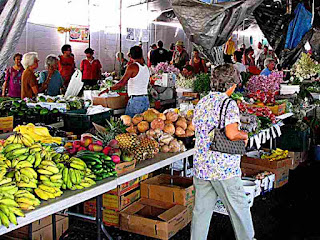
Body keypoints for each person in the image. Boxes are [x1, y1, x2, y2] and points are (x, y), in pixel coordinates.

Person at [191, 63, 254, 240]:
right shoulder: (229, 104)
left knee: (201, 211)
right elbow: (231, 133)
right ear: (232, 84)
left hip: (202, 166)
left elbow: (195, 128)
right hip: (223, 168)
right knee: (239, 208)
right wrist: (244, 135)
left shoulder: (203, 101)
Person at [100, 46, 150, 117]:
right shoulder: (145, 67)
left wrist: (109, 89)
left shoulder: (133, 67)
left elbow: (121, 84)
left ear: (131, 55)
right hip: (145, 99)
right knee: (142, 125)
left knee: (129, 124)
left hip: (136, 101)